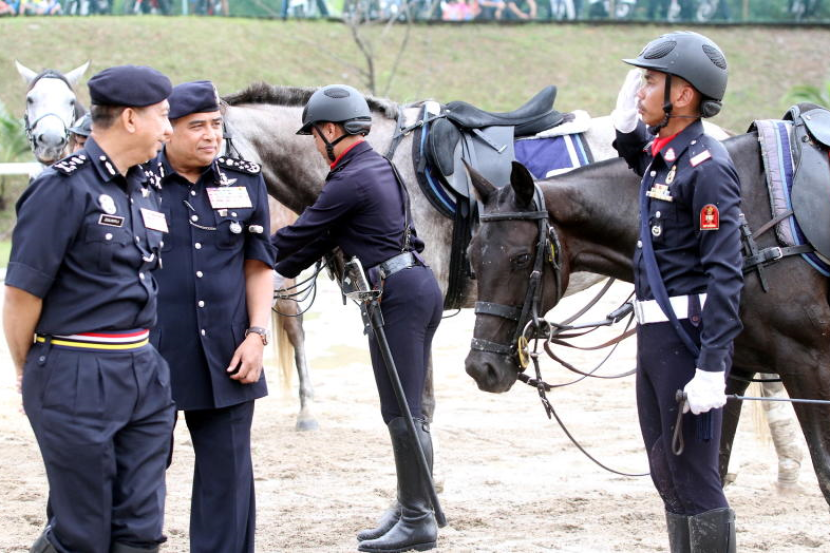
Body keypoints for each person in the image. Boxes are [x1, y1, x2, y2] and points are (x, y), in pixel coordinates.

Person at [3, 65, 175, 553]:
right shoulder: (62, 188)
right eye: (163, 116)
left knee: (141, 530)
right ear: (130, 119)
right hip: (75, 371)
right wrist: (32, 368)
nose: (168, 129)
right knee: (82, 534)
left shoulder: (141, 185)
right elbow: (21, 295)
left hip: (142, 368)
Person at [272, 84, 444, 553]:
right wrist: (274, 266)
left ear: (330, 130)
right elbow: (315, 243)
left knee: (403, 412)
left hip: (398, 295)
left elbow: (300, 234)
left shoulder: (350, 178)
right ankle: (412, 506)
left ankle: (418, 518)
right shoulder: (372, 166)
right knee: (404, 409)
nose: (313, 143)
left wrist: (246, 253)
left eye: (314, 134)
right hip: (411, 287)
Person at [611, 32, 743, 552]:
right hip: (655, 337)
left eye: (649, 81)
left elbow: (726, 273)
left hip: (688, 339)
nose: (639, 90)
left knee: (695, 480)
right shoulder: (666, 157)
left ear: (683, 94)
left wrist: (711, 366)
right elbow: (642, 162)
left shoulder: (708, 168)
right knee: (666, 471)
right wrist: (625, 127)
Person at [147, 80, 274, 553]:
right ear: (168, 130)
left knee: (228, 479)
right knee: (138, 472)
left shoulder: (245, 181)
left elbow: (259, 265)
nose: (211, 135)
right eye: (196, 126)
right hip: (151, 354)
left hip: (229, 352)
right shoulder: (138, 182)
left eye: (216, 124)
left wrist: (257, 335)